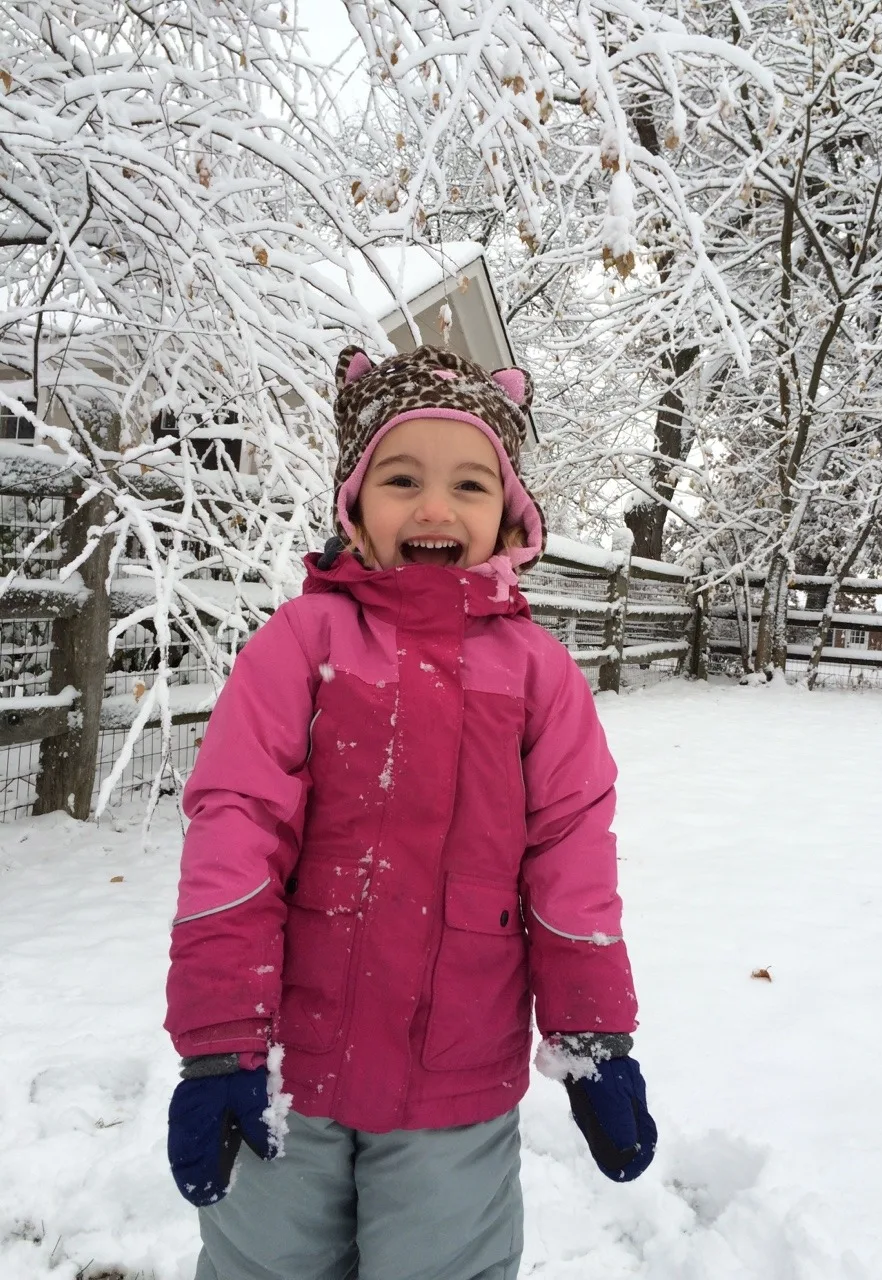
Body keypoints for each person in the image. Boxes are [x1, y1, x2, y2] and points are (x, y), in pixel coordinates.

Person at [164, 344, 657, 1280]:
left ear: (509, 514)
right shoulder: (299, 645)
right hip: (285, 1067)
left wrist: (594, 1033)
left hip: (456, 1079)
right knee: (264, 1264)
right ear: (354, 503)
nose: (435, 508)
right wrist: (223, 1036)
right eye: (402, 478)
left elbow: (571, 852)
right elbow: (237, 828)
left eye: (470, 485)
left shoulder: (538, 674)